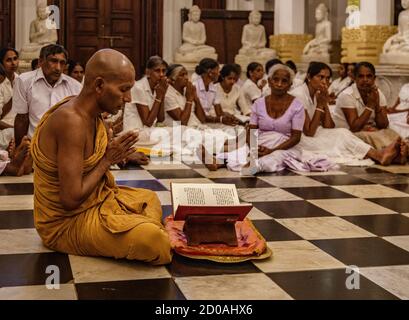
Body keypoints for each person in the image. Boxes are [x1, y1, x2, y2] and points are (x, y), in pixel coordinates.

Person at [31, 49, 172, 265]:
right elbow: (70, 199)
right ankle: (143, 228)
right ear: (98, 86)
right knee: (155, 242)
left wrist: (114, 151)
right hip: (65, 223)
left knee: (149, 198)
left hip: (97, 202)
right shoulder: (71, 121)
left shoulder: (91, 115)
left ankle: (134, 225)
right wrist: (107, 160)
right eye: (124, 90)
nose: (127, 98)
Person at [219, 64, 333, 175]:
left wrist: (272, 150)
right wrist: (255, 149)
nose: (279, 84)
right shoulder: (259, 104)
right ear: (269, 82)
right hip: (261, 142)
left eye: (284, 81)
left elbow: (296, 137)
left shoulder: (297, 105)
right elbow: (252, 129)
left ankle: (255, 167)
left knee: (278, 156)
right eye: (276, 80)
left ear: (290, 85)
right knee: (242, 152)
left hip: (285, 145)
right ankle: (219, 162)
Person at [291, 62, 402, 166]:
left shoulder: (318, 94)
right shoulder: (299, 95)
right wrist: (320, 105)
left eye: (328, 78)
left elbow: (329, 126)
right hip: (300, 138)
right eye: (321, 77)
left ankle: (395, 153)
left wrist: (324, 103)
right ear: (309, 77)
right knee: (343, 135)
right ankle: (379, 155)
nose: (325, 82)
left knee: (344, 134)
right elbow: (309, 132)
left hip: (318, 131)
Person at [12, 44, 82, 146]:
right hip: (34, 146)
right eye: (53, 61)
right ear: (40, 61)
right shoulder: (24, 81)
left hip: (65, 146)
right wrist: (19, 149)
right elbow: (21, 119)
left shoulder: (75, 87)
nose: (58, 68)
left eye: (62, 63)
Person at [333, 62, 405, 161]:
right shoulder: (347, 95)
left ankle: (399, 150)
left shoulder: (378, 93)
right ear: (354, 78)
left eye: (369, 76)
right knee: (370, 136)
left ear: (374, 79)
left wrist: (377, 104)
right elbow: (355, 127)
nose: (365, 80)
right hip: (348, 135)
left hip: (369, 130)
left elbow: (383, 124)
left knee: (390, 132)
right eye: (361, 76)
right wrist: (370, 105)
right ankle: (396, 153)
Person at [193, 59, 238, 127]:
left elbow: (219, 112)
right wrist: (220, 119)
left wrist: (230, 117)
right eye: (217, 70)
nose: (219, 73)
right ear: (210, 72)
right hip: (196, 121)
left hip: (208, 120)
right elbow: (199, 115)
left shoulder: (213, 88)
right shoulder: (194, 87)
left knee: (235, 128)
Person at [0, 48, 19, 149]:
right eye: (8, 60)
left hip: (20, 126)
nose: (13, 63)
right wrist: (15, 128)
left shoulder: (21, 80)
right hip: (5, 130)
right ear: (1, 64)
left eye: (15, 59)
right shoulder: (1, 83)